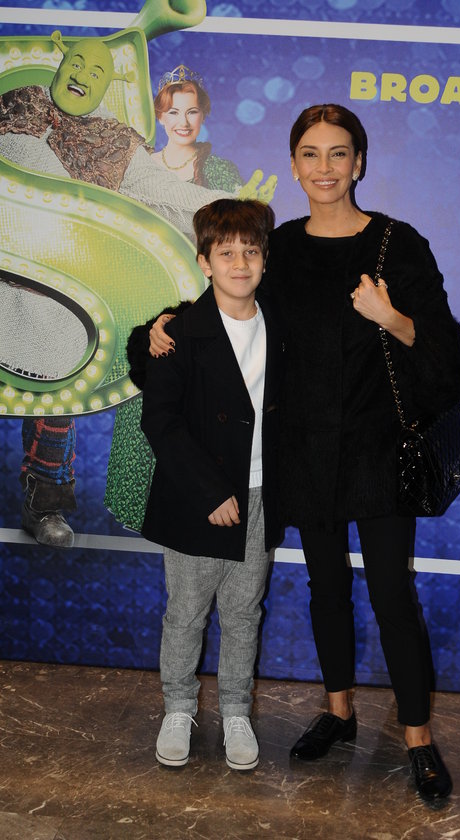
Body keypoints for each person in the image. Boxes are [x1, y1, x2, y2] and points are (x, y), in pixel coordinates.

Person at [142, 103, 460, 802]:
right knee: (327, 589)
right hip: (307, 454)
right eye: (311, 154)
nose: (325, 168)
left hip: (379, 452)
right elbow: (222, 311)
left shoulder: (398, 244)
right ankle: (338, 711)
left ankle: (417, 736)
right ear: (293, 166)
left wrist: (392, 317)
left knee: (391, 594)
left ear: (360, 163)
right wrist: (158, 327)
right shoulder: (281, 247)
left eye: (338, 153)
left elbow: (447, 360)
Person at [0, 31, 275, 547]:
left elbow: (165, 191)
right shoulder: (19, 103)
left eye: (97, 71)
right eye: (77, 63)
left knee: (60, 376)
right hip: (8, 265)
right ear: (60, 64)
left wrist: (232, 202)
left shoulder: (113, 139)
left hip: (64, 290)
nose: (83, 75)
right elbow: (24, 163)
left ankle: (47, 500)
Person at [139, 198, 283, 770]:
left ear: (265, 259)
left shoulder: (282, 324)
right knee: (186, 612)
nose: (239, 264)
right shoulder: (178, 332)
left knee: (245, 612)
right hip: (198, 498)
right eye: (226, 253)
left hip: (262, 495)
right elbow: (161, 421)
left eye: (251, 252)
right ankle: (178, 708)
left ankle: (236, 712)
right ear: (204, 262)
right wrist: (210, 491)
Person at [104, 66, 244, 531]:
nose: (183, 122)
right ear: (160, 116)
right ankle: (135, 505)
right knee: (142, 403)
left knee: (195, 409)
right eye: (173, 112)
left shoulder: (220, 172)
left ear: (204, 114)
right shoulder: (136, 165)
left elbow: (230, 244)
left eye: (192, 111)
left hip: (196, 303)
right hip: (140, 296)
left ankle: (197, 501)